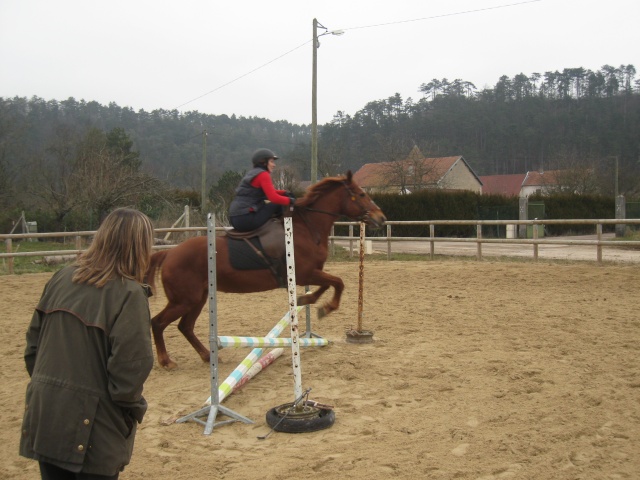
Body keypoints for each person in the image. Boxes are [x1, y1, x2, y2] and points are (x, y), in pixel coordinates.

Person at [20, 208, 156, 480]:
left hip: (45, 414)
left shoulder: (61, 277)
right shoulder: (129, 294)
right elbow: (129, 373)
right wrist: (131, 410)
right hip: (92, 428)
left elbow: (32, 349)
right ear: (140, 246)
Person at [229, 148, 296, 232]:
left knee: (275, 204)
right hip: (245, 218)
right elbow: (273, 198)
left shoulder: (253, 173)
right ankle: (286, 231)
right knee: (277, 204)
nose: (274, 165)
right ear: (263, 162)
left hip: (235, 218)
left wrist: (285, 192)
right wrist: (291, 201)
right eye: (271, 161)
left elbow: (269, 192)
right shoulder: (263, 174)